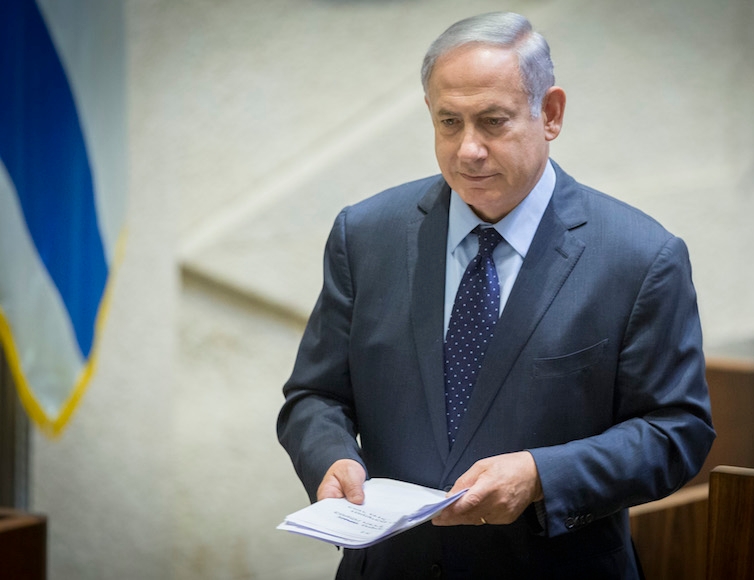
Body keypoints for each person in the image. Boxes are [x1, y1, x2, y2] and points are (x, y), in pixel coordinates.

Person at [277, 11, 714, 580]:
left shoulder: (639, 257)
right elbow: (314, 395)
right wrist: (330, 457)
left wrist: (542, 475)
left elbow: (675, 430)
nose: (468, 150)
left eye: (493, 121)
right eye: (449, 122)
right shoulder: (365, 235)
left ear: (550, 113)